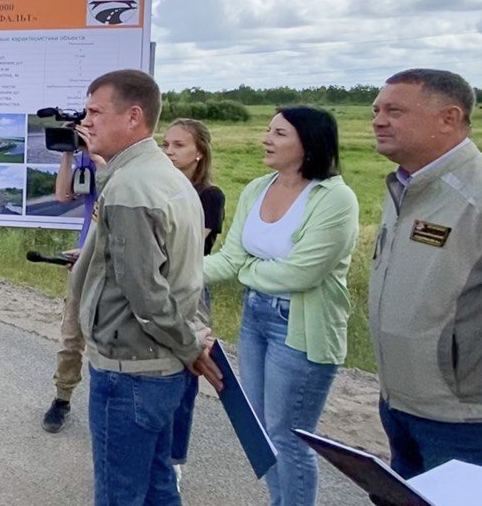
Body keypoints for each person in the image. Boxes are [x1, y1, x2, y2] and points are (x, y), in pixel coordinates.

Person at [75, 69, 221, 505]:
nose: (86, 121)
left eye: (96, 111)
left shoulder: (131, 186)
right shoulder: (166, 177)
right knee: (158, 486)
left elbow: (146, 295)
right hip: (160, 372)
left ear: (134, 116)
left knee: (120, 494)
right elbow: (178, 273)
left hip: (130, 372)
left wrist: (189, 346)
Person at [203, 107, 358, 506]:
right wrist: (168, 272)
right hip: (255, 317)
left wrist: (246, 271)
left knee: (287, 436)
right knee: (260, 430)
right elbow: (230, 258)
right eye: (268, 130)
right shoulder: (258, 187)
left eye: (279, 133)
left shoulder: (335, 198)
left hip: (300, 325)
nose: (265, 139)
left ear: (308, 143)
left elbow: (302, 274)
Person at [369, 68, 482, 478]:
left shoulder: (474, 196)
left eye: (395, 110)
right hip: (398, 405)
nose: (379, 120)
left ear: (449, 118)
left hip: (462, 419)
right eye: (377, 110)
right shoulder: (405, 187)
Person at [161, 119, 226, 482]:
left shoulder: (208, 196)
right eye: (165, 144)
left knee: (187, 369)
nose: (169, 152)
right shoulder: (159, 188)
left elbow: (183, 248)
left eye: (179, 146)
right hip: (158, 285)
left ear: (199, 153)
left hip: (189, 290)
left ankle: (174, 462)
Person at [42, 133, 103, 434]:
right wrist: (68, 153)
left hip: (111, 263)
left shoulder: (119, 159)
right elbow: (63, 196)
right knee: (71, 337)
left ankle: (108, 404)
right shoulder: (83, 160)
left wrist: (95, 150)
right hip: (83, 255)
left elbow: (112, 187)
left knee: (106, 342)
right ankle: (62, 398)